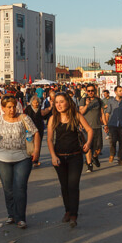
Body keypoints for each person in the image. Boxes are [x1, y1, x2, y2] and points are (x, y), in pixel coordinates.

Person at [0, 95, 40, 229]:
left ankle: (21, 218)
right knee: (8, 189)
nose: (12, 109)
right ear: (2, 108)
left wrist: (36, 150)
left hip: (22, 157)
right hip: (3, 159)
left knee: (20, 187)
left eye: (14, 106)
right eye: (9, 107)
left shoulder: (24, 118)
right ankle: (11, 215)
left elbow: (35, 133)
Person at [47, 93, 93, 227]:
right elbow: (49, 139)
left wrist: (88, 143)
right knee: (64, 186)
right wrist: (53, 156)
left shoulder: (76, 116)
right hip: (59, 157)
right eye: (56, 102)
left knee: (73, 185)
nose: (59, 105)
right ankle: (67, 210)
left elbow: (89, 130)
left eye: (62, 102)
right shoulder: (53, 119)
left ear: (68, 102)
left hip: (75, 156)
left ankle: (74, 214)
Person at [79, 84, 105, 172]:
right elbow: (81, 112)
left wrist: (105, 124)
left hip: (97, 126)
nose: (90, 92)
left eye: (92, 90)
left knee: (98, 148)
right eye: (89, 91)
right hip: (87, 128)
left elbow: (102, 113)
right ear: (86, 91)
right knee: (88, 147)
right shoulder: (83, 100)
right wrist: (87, 105)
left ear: (95, 91)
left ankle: (95, 157)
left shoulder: (98, 100)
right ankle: (89, 165)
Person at [105, 86, 122, 164]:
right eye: (120, 91)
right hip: (113, 124)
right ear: (115, 92)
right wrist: (106, 125)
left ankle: (120, 158)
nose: (121, 92)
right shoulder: (111, 101)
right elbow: (107, 113)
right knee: (113, 141)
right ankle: (112, 153)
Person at [26, 96, 46, 167]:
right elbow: (25, 116)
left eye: (37, 103)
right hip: (30, 128)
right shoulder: (28, 108)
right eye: (34, 103)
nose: (36, 104)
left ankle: (36, 160)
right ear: (31, 103)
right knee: (30, 143)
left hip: (39, 127)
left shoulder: (41, 108)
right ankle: (29, 159)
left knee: (38, 144)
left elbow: (44, 116)